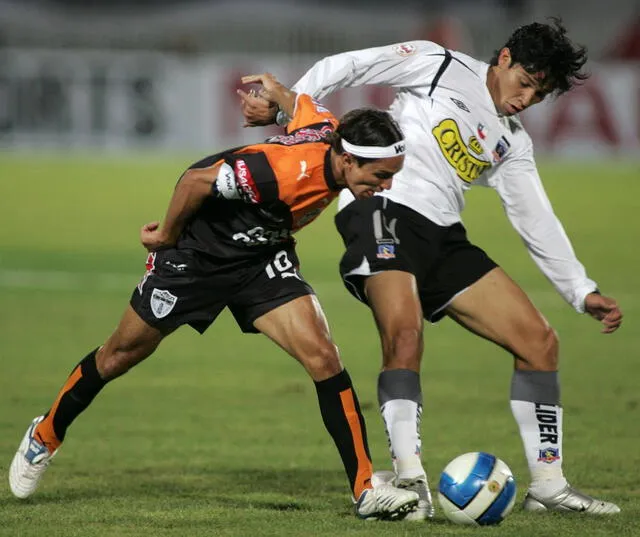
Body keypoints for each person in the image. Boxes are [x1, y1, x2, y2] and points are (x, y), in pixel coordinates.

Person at [239, 20, 624, 520]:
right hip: (381, 210)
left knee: (539, 342)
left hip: (443, 235)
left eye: (540, 93)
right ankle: (408, 480)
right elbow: (348, 65)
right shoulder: (438, 63)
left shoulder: (512, 141)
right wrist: (292, 106)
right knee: (404, 333)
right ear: (503, 59)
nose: (527, 98)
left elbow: (535, 216)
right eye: (526, 82)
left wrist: (580, 289)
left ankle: (549, 485)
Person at [9, 73, 420, 520]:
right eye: (380, 176)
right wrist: (167, 235)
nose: (386, 186)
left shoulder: (327, 127)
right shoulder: (280, 174)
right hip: (198, 255)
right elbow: (196, 182)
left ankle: (364, 490)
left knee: (324, 357)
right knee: (118, 355)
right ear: (346, 160)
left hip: (262, 257)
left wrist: (271, 102)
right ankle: (45, 434)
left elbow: (297, 101)